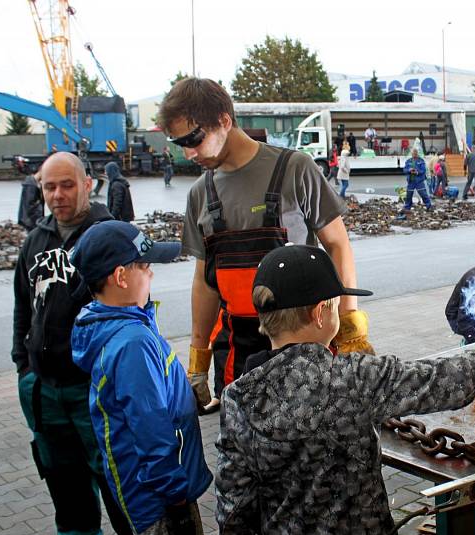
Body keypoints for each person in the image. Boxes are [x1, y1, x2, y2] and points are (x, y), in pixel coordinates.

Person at [215, 244, 475, 535]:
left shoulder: (238, 397)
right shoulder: (353, 377)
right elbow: (441, 380)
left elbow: (233, 514)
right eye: (335, 306)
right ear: (319, 313)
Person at [156, 77, 373, 414]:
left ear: (224, 121)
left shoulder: (294, 169)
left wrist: (349, 328)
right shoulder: (200, 194)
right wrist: (198, 360)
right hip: (237, 354)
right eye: (179, 143)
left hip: (304, 344)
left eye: (194, 139)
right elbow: (204, 282)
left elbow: (338, 245)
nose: (188, 153)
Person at [11, 152, 135, 535]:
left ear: (87, 183)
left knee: (116, 484)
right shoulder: (36, 240)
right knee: (64, 485)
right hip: (44, 391)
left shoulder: (110, 233)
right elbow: (22, 307)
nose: (58, 194)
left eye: (67, 184)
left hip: (94, 391)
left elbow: (136, 308)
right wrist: (23, 367)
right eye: (49, 187)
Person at [70, 221, 213, 535]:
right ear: (121, 277)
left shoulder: (116, 325)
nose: (151, 275)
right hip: (159, 498)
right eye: (146, 267)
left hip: (150, 489)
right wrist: (176, 500)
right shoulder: (133, 342)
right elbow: (150, 429)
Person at [398, 148, 432, 217]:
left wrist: (417, 172)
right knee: (409, 195)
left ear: (417, 153)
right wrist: (409, 170)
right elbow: (404, 170)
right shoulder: (408, 161)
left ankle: (429, 206)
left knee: (423, 194)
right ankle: (407, 207)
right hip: (411, 181)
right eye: (413, 153)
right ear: (412, 154)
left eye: (415, 153)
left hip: (419, 181)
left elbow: (423, 170)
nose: (414, 154)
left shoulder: (421, 161)